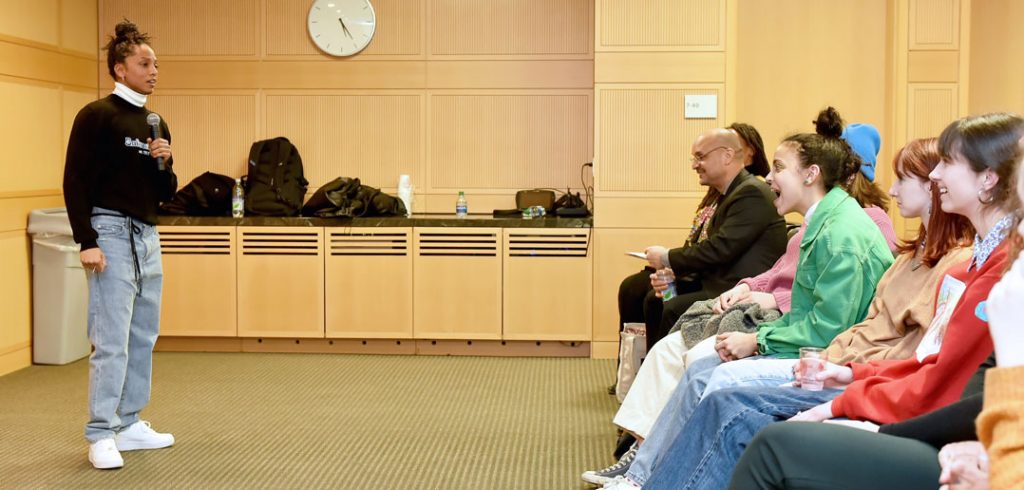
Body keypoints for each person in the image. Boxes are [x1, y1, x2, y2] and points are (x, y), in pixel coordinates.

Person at [638, 112, 1024, 490]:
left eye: (947, 163)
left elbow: (949, 383)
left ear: (988, 180)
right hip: (887, 387)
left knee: (744, 415)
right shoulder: (971, 265)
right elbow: (935, 368)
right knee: (722, 390)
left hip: (925, 421)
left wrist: (850, 403)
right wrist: (853, 379)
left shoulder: (987, 270)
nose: (936, 174)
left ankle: (641, 476)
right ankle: (641, 473)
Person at [583, 130, 903, 487]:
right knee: (701, 365)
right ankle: (645, 474)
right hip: (814, 344)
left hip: (830, 358)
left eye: (780, 167)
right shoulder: (826, 221)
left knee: (711, 375)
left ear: (811, 174)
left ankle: (650, 477)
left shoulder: (839, 235)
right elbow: (804, 309)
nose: (769, 176)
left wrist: (757, 341)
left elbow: (826, 331)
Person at [63, 20, 178, 470]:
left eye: (155, 65)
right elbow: (74, 181)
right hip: (109, 232)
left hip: (147, 237)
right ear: (120, 68)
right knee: (111, 339)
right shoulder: (97, 116)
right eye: (144, 63)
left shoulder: (154, 121)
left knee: (143, 335)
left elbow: (165, 193)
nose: (153, 71)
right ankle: (100, 432)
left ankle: (129, 422)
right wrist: (85, 240)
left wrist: (164, 165)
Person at [636, 126, 788, 350]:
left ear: (727, 155)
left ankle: (668, 380)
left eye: (700, 157)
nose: (694, 165)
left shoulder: (751, 192)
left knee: (671, 306)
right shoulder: (729, 193)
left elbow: (719, 249)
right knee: (655, 298)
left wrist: (668, 259)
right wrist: (673, 274)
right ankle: (652, 377)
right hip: (721, 281)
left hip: (739, 289)